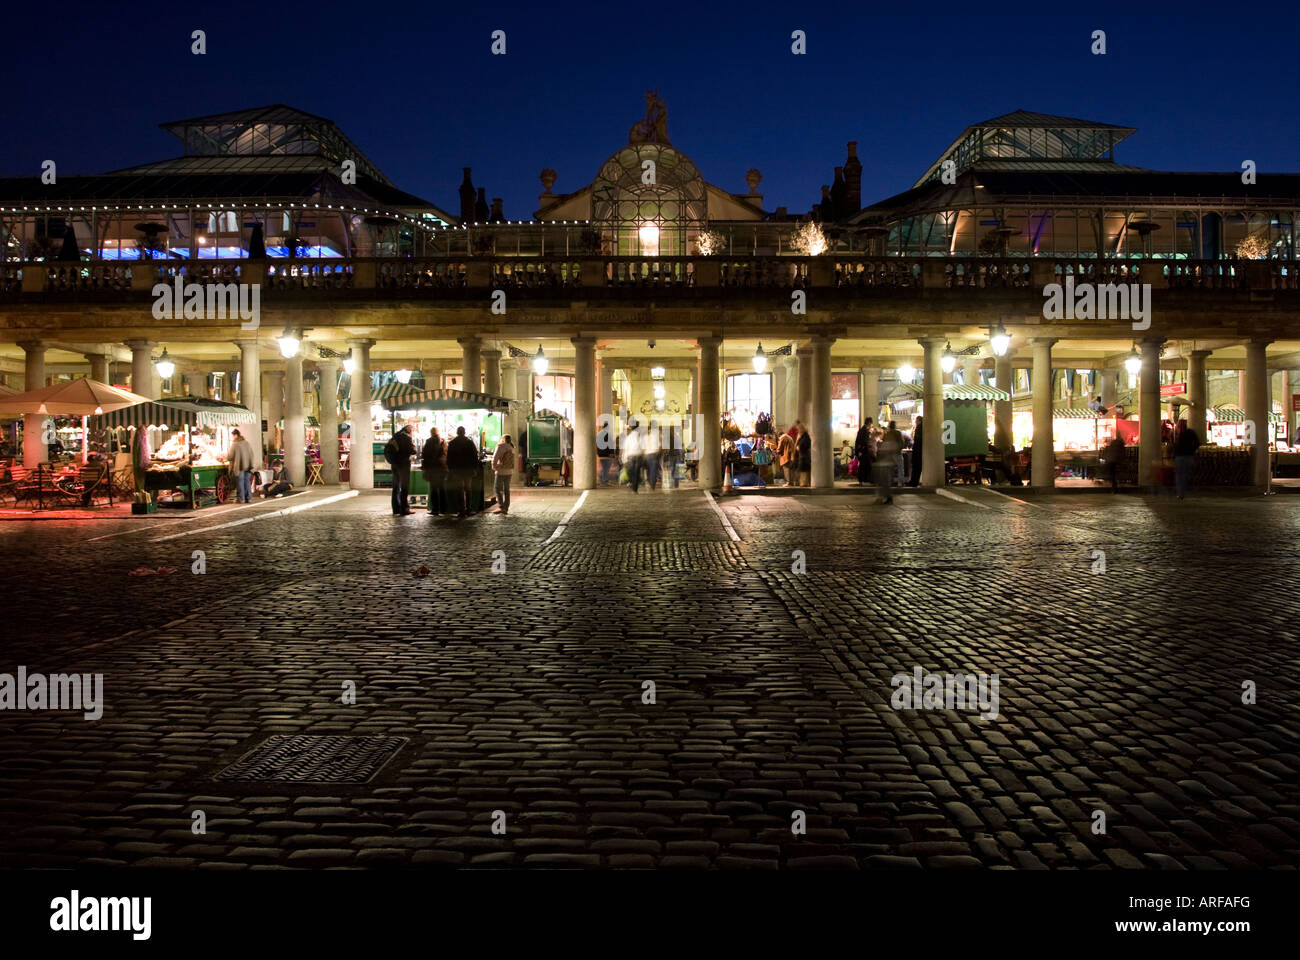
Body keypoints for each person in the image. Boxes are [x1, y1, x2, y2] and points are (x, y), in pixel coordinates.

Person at [445, 425, 479, 518]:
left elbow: (449, 458)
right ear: (464, 432)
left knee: (459, 490)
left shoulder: (452, 443)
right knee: (468, 489)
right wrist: (474, 468)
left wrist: (450, 468)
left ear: (457, 432)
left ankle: (461, 510)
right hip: (468, 469)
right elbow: (474, 456)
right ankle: (469, 509)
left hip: (457, 470)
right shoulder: (469, 442)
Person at [385, 423, 417, 516]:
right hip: (403, 465)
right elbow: (413, 451)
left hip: (394, 464)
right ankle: (404, 508)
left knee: (395, 487)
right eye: (413, 431)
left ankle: (396, 508)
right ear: (410, 431)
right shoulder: (406, 438)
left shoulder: (395, 436)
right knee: (404, 487)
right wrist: (413, 446)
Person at [875, 421, 904, 504]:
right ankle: (900, 482)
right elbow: (901, 443)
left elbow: (884, 447)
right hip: (895, 455)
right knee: (900, 467)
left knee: (887, 477)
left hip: (888, 459)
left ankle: (886, 496)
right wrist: (899, 449)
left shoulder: (887, 434)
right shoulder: (898, 433)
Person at [420, 427, 447, 516]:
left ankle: (435, 509)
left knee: (434, 489)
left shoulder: (429, 442)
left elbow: (424, 455)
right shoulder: (443, 442)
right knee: (442, 489)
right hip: (442, 468)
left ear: (431, 433)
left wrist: (425, 467)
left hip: (433, 469)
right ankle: (444, 509)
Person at [225, 427, 256, 503]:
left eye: (233, 436)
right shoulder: (246, 443)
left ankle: (241, 499)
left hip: (239, 466)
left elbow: (230, 457)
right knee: (247, 482)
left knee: (240, 482)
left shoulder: (235, 444)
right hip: (248, 466)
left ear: (235, 435)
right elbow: (251, 454)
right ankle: (248, 498)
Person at [1172, 421, 1201, 499]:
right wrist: (1192, 450)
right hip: (1187, 456)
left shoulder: (1180, 434)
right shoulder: (1190, 433)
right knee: (1184, 474)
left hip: (1181, 456)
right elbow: (1197, 443)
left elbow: (1175, 446)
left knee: (1180, 475)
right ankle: (1182, 492)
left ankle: (1181, 493)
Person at [492, 434, 516, 515]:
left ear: (503, 439)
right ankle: (506, 508)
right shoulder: (512, 447)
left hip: (501, 471)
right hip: (509, 472)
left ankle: (501, 507)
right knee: (506, 490)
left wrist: (495, 467)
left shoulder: (500, 447)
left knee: (497, 489)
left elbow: (495, 458)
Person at [853, 418, 875, 486]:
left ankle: (862, 480)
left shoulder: (862, 430)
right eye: (871, 424)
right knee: (865, 466)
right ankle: (864, 480)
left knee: (863, 466)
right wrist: (861, 451)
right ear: (869, 423)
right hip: (864, 451)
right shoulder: (865, 431)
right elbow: (864, 442)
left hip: (862, 451)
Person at [622, 424, 643, 493]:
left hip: (630, 456)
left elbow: (626, 448)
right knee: (637, 472)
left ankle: (631, 483)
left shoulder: (629, 437)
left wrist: (624, 458)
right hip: (638, 455)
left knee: (631, 471)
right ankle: (635, 488)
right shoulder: (640, 436)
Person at [908, 415, 923, 487]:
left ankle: (913, 482)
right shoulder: (922, 427)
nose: (915, 422)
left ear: (919, 421)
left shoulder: (919, 428)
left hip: (917, 451)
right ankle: (914, 481)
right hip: (919, 451)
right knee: (917, 467)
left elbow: (917, 440)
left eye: (916, 421)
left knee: (916, 467)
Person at [645, 424, 661, 489]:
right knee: (653, 469)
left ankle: (649, 481)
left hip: (647, 454)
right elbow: (659, 445)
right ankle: (652, 484)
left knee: (648, 469)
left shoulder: (647, 436)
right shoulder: (656, 436)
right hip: (654, 454)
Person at [796, 423, 812, 487]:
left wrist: (798, 447)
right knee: (803, 471)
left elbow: (802, 446)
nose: (798, 431)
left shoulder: (805, 437)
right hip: (803, 456)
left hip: (804, 457)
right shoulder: (804, 436)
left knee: (804, 472)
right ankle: (803, 483)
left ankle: (804, 484)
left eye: (799, 429)